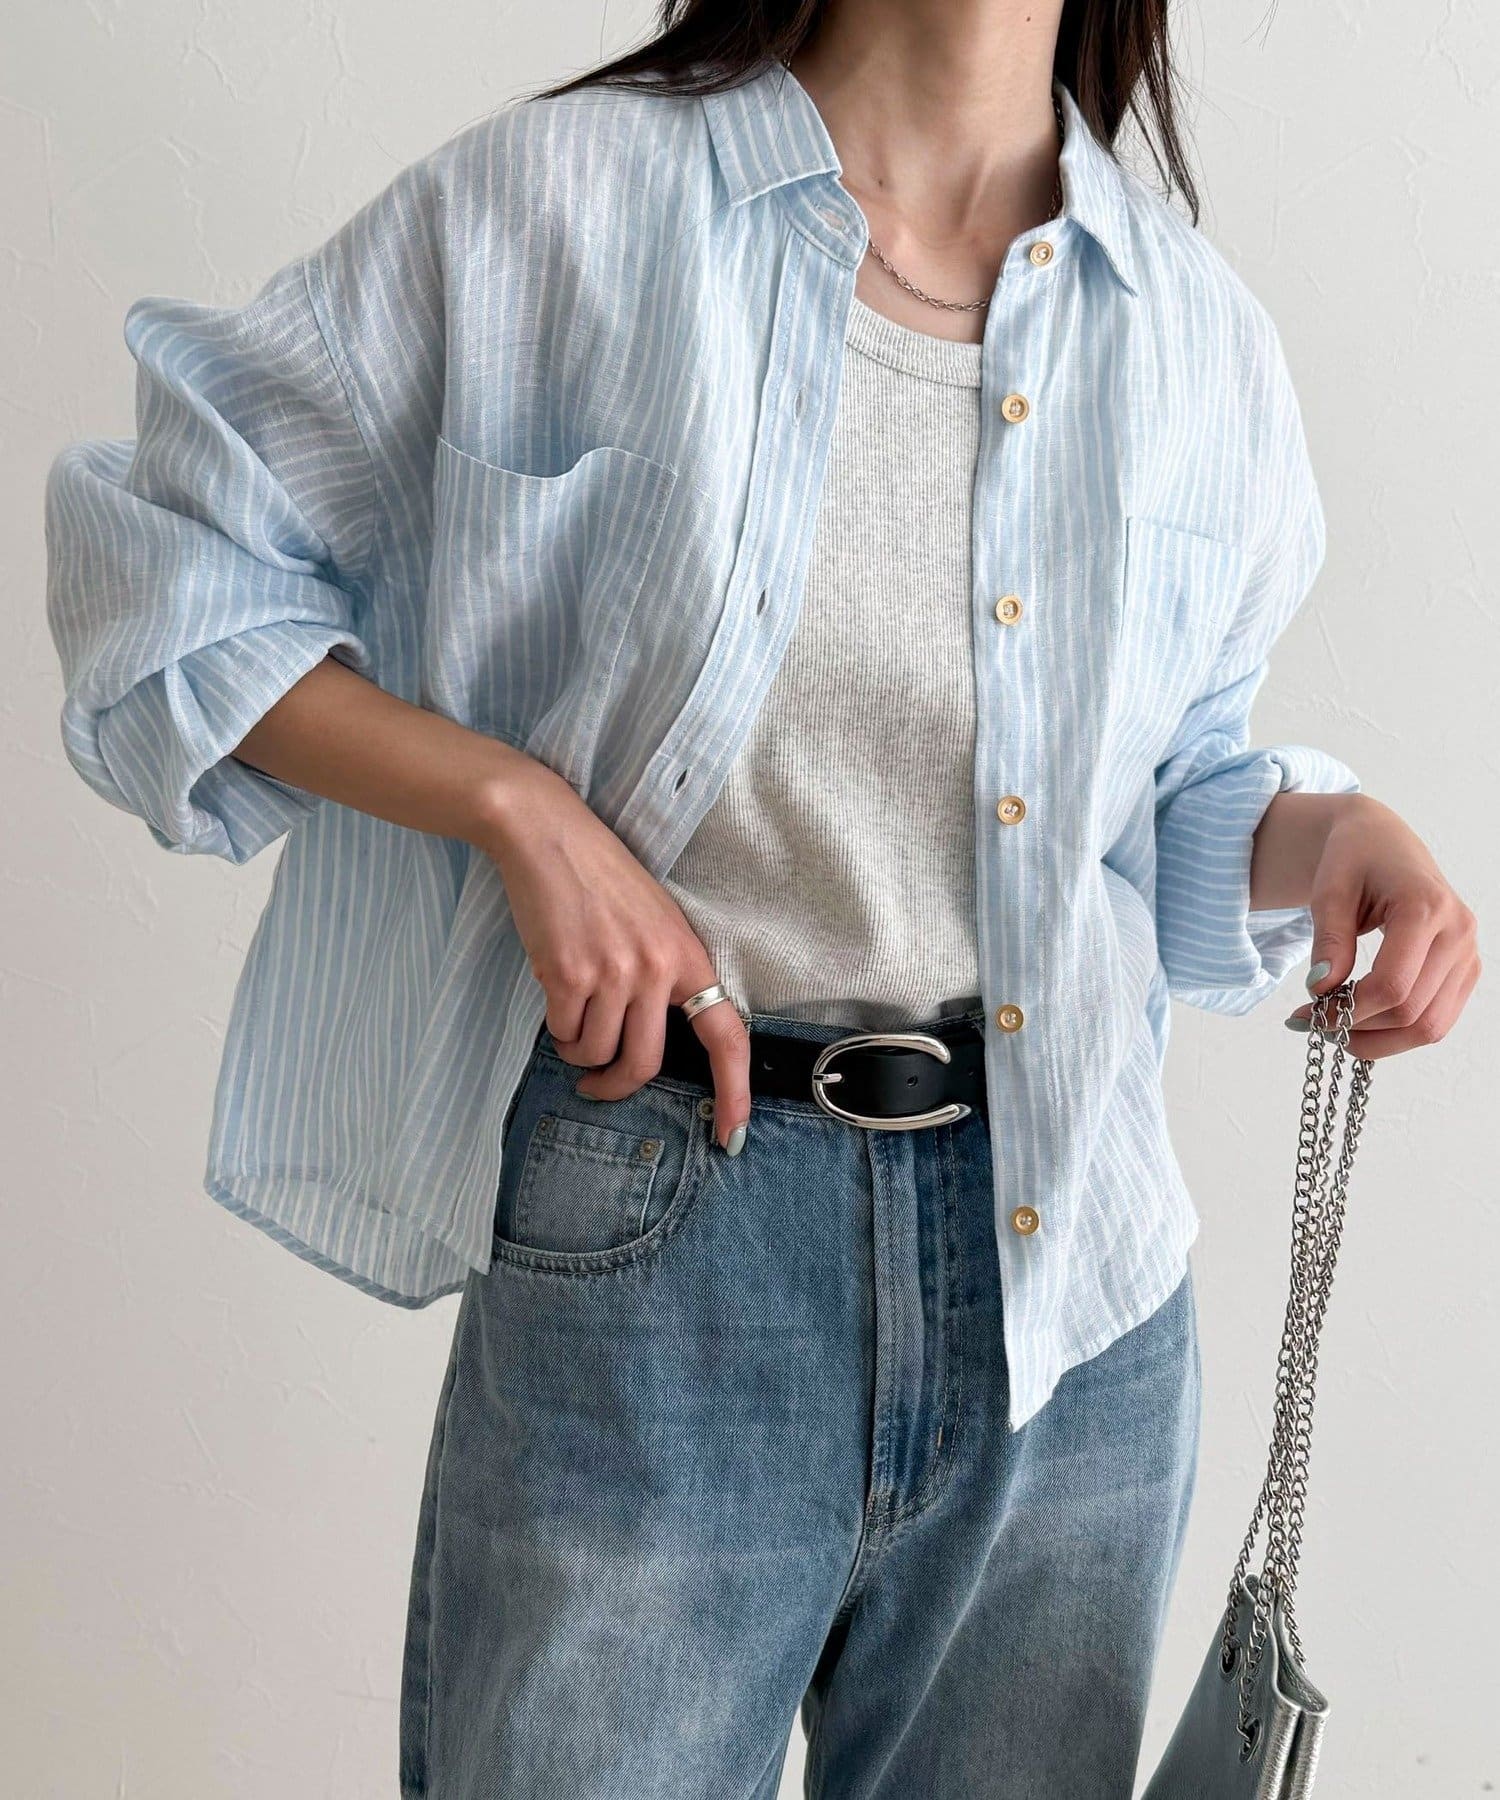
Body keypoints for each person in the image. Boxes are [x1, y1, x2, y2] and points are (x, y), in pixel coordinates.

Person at [44, 1, 1480, 1795]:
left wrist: (1326, 839)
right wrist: (515, 807)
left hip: (1072, 1304)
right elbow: (160, 566)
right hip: (664, 1239)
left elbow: (1150, 792)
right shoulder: (563, 207)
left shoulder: (1195, 335)